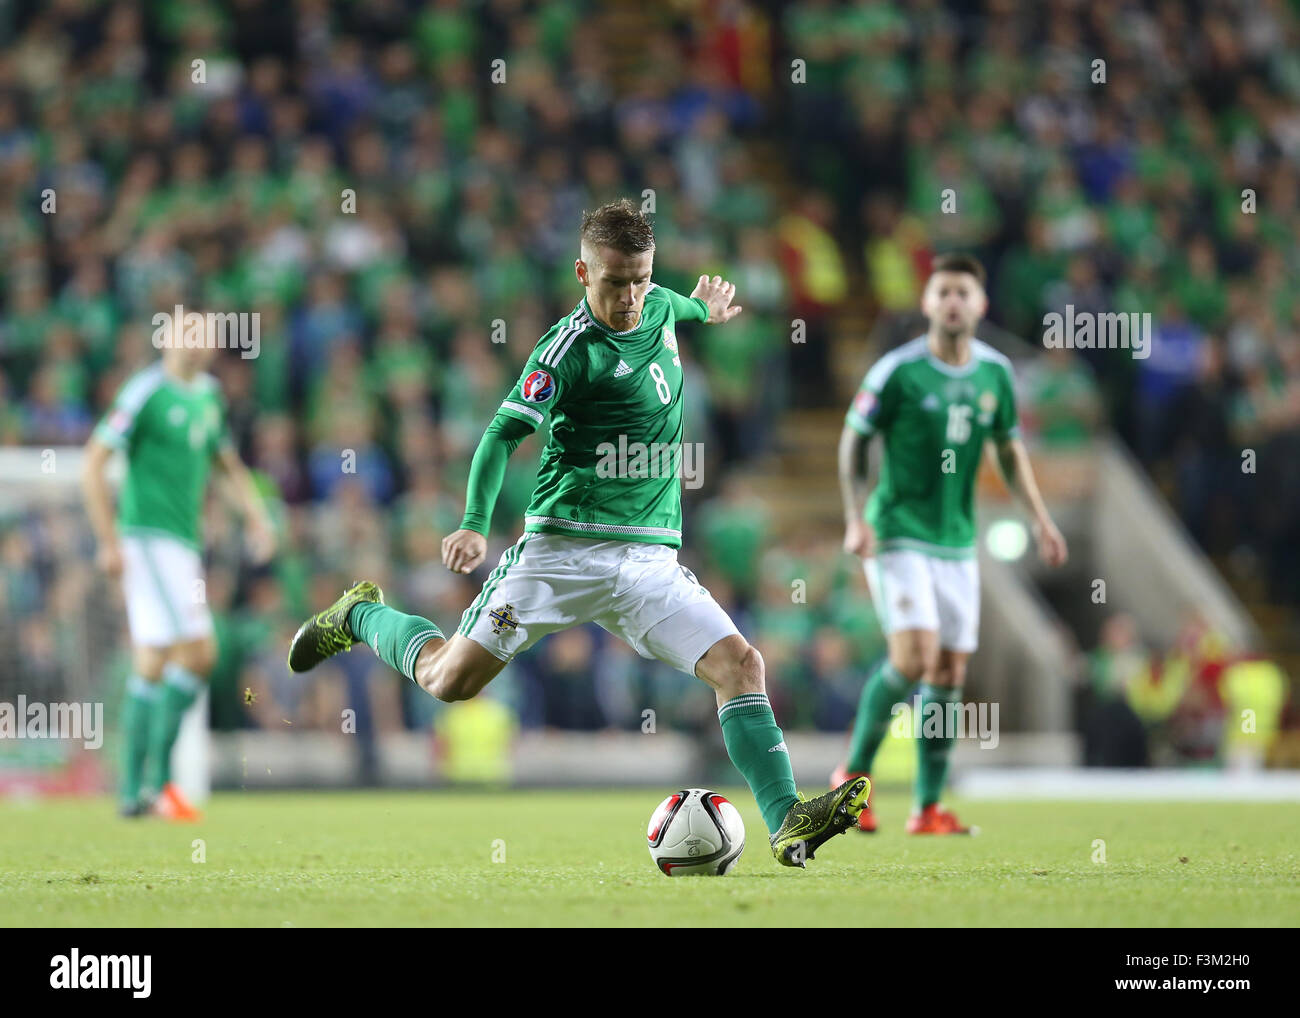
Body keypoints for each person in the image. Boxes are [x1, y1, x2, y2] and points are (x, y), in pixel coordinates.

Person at [288, 199, 868, 866]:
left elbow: (677, 307)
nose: (629, 297)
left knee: (741, 665)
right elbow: (501, 434)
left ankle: (787, 820)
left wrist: (705, 307)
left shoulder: (656, 304)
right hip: (560, 553)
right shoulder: (567, 351)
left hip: (648, 561)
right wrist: (475, 525)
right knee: (449, 681)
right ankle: (361, 615)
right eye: (614, 282)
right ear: (582, 272)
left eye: (641, 279)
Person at [834, 253, 1068, 833]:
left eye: (964, 291)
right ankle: (851, 780)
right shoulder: (898, 371)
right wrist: (855, 516)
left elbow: (1009, 451)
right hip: (898, 533)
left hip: (958, 543)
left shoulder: (995, 374)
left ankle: (928, 807)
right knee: (912, 659)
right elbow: (853, 441)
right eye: (944, 292)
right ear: (928, 303)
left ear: (981, 305)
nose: (954, 301)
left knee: (948, 671)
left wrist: (1040, 519)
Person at [83, 341, 275, 819]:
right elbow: (93, 461)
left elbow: (225, 464)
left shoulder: (209, 396)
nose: (196, 342)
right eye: (185, 330)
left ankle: (135, 792)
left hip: (184, 546)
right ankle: (157, 782)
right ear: (166, 339)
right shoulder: (145, 391)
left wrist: (257, 516)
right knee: (200, 651)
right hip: (147, 538)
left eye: (204, 333)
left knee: (152, 660)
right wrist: (108, 541)